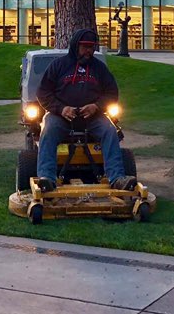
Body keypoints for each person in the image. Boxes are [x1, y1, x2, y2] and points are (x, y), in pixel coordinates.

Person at [35, 28, 136, 192]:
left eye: (91, 47)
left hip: (93, 117)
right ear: (76, 46)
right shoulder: (58, 65)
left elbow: (112, 93)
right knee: (48, 130)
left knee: (110, 130)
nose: (89, 51)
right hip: (62, 116)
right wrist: (61, 109)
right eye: (85, 46)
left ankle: (117, 178)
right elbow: (43, 92)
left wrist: (96, 106)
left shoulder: (100, 68)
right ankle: (47, 178)